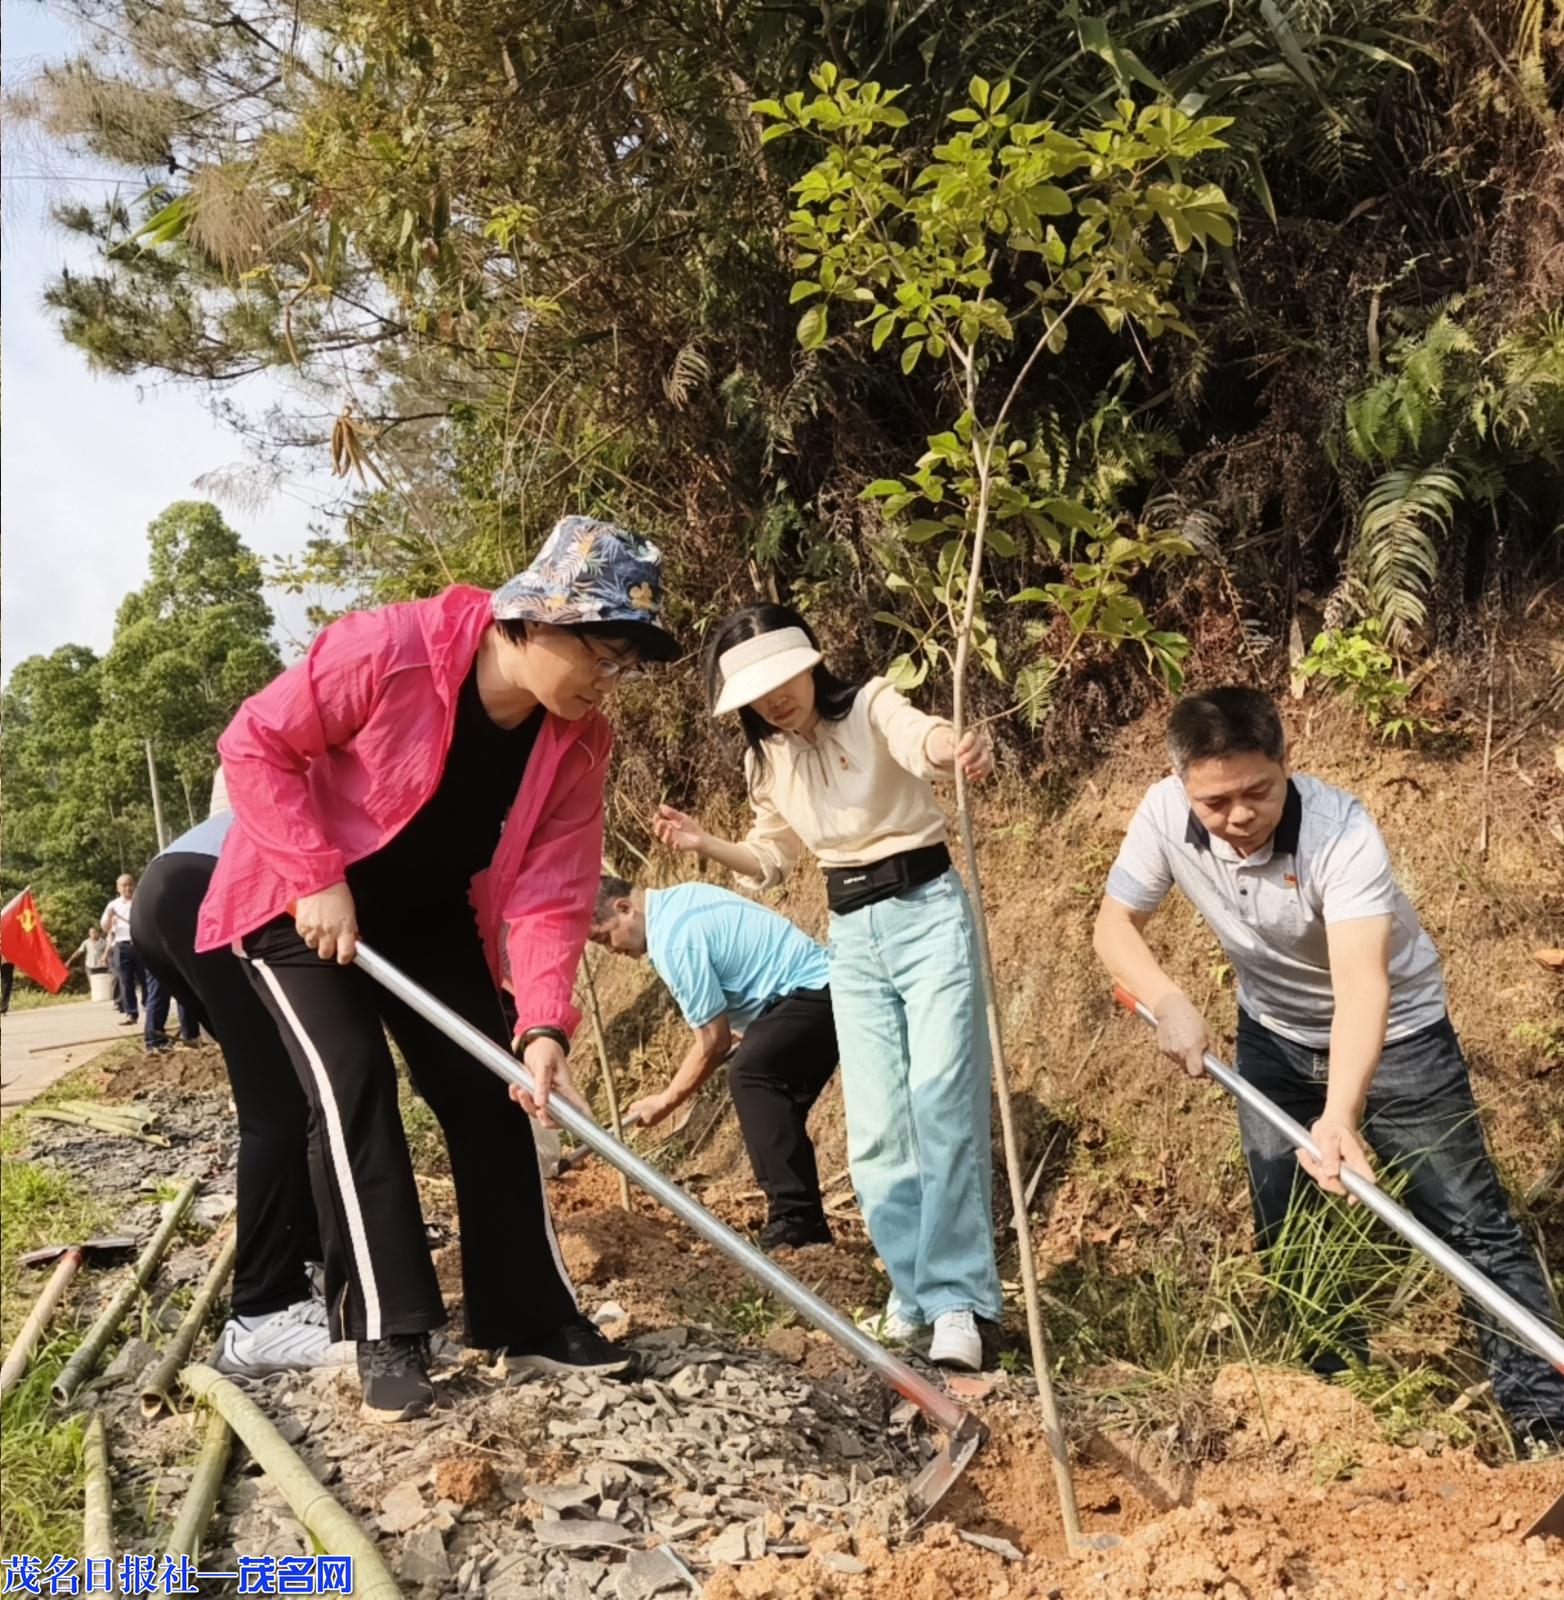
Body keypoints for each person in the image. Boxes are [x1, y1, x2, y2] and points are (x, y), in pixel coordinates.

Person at [195, 516, 681, 1423]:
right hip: (297, 907)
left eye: (625, 666)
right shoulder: (393, 649)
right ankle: (386, 1327)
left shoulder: (576, 742)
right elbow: (255, 744)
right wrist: (315, 874)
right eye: (601, 654)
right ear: (536, 620)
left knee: (492, 1087)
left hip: (427, 917)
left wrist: (541, 1024)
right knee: (353, 1084)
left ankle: (526, 1314)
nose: (609, 682)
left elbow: (552, 887)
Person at [1093, 685, 1564, 1449]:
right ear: (1183, 785)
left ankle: (1549, 1422)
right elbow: (1114, 926)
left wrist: (1340, 1114)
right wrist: (1169, 1001)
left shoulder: (1341, 833)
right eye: (1214, 802)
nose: (1236, 818)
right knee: (1285, 1218)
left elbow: (1364, 983)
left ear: (1285, 763)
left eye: (1255, 792)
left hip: (1399, 1039)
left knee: (1468, 1220)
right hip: (1272, 1035)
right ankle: (1336, 1405)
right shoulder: (1165, 814)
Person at [653, 604, 998, 1372]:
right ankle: (912, 1293)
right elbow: (770, 857)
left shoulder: (870, 704)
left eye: (782, 680)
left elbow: (921, 737)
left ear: (811, 662)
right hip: (850, 934)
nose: (774, 701)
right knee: (876, 1133)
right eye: (755, 694)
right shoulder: (766, 760)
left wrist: (953, 747)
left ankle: (957, 1304)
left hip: (927, 911)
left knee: (942, 1105)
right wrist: (702, 843)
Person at [132, 806, 346, 1375]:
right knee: (280, 1101)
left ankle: (296, 1267)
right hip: (210, 887)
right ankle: (262, 1313)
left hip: (175, 885)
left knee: (292, 1091)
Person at [589, 874, 838, 1249]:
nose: (611, 950)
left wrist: (666, 1100)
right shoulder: (682, 898)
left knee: (752, 1076)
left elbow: (712, 1039)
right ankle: (804, 1224)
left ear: (624, 909)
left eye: (605, 937)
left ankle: (796, 1221)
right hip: (811, 994)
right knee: (771, 1094)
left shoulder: (673, 941)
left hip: (812, 994)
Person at [102, 874, 144, 1024]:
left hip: (140, 944)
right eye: (124, 885)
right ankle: (131, 1013)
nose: (128, 888)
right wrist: (109, 917)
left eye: (130, 884)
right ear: (118, 888)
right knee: (125, 981)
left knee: (145, 978)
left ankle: (148, 1005)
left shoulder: (141, 901)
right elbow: (105, 928)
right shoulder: (113, 905)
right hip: (122, 945)